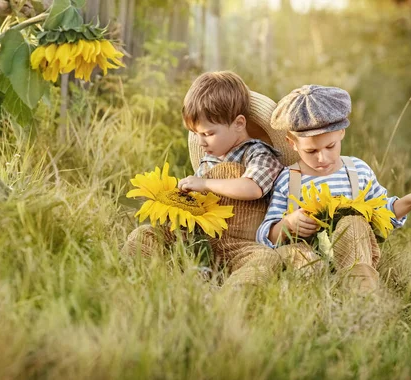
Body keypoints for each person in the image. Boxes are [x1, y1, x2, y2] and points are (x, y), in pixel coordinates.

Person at [256, 84, 411, 291]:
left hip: (355, 254)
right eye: (311, 151)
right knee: (297, 255)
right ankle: (314, 294)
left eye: (330, 146)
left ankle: (361, 293)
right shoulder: (288, 179)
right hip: (307, 259)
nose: (322, 158)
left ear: (342, 133)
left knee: (353, 223)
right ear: (292, 143)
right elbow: (266, 235)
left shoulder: (357, 171)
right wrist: (288, 223)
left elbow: (381, 213)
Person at [124, 71, 299, 288]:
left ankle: (233, 298)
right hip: (200, 238)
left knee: (265, 260)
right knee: (145, 235)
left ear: (238, 123)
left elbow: (253, 187)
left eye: (208, 134)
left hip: (241, 244)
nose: (201, 142)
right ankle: (158, 284)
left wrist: (205, 183)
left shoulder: (259, 153)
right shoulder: (208, 160)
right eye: (196, 134)